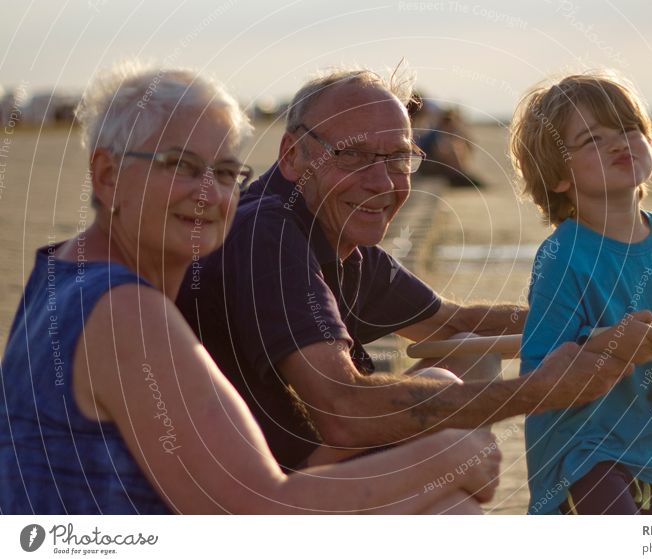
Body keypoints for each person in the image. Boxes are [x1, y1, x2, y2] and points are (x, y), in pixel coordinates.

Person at [0, 62, 504, 514]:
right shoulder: (126, 311)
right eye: (179, 165)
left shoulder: (67, 276)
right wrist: (455, 451)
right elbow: (264, 510)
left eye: (224, 173)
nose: (210, 194)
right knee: (447, 499)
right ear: (107, 175)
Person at [176, 66, 652, 472]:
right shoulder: (268, 234)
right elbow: (342, 411)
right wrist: (542, 391)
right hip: (250, 495)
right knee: (457, 447)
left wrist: (607, 324)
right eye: (352, 155)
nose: (381, 181)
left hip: (298, 461)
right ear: (292, 155)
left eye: (397, 157)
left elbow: (455, 323)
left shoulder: (334, 233)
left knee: (465, 360)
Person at [509, 71, 652, 515]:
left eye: (630, 129)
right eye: (593, 139)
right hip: (582, 453)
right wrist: (613, 345)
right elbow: (539, 366)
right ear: (557, 176)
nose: (619, 143)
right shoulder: (562, 255)